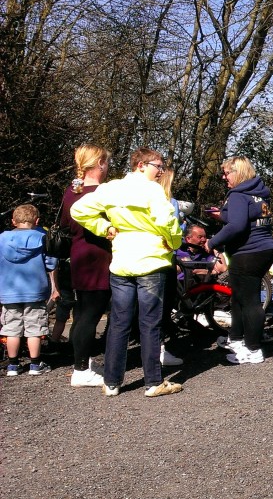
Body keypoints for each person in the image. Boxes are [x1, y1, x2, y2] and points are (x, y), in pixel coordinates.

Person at [71, 147, 183, 397]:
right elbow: (167, 221)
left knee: (119, 322)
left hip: (121, 261)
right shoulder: (152, 190)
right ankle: (153, 382)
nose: (160, 172)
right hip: (151, 261)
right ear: (141, 165)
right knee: (150, 322)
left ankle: (111, 382)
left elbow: (78, 210)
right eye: (157, 166)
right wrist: (174, 242)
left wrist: (105, 227)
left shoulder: (111, 188)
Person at [206, 156, 273, 363]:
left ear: (238, 173)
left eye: (227, 173)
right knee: (238, 298)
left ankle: (253, 349)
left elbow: (237, 226)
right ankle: (236, 338)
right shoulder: (258, 193)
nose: (224, 177)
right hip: (264, 249)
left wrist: (212, 242)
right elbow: (247, 219)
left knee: (249, 302)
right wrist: (225, 215)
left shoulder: (238, 195)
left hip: (248, 252)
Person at [61, 144, 112, 387]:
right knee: (91, 315)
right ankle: (81, 370)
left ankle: (84, 362)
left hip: (79, 255)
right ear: (99, 163)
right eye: (106, 162)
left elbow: (64, 222)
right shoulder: (103, 192)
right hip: (98, 256)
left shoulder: (72, 190)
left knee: (81, 312)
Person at [1, 204, 59, 376]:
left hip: (8, 290)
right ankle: (35, 364)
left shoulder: (2, 238)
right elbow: (51, 264)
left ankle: (13, 364)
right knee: (35, 327)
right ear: (37, 221)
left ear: (13, 221)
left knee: (11, 327)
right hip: (35, 290)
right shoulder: (42, 237)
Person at [155, 168, 184, 366]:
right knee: (163, 306)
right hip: (165, 257)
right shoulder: (169, 203)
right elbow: (175, 231)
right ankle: (159, 350)